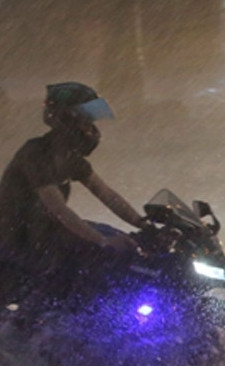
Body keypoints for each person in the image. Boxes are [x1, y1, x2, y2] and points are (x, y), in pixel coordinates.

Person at [0, 82, 147, 299]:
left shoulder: (70, 157)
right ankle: (59, 315)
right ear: (69, 118)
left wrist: (143, 224)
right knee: (96, 254)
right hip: (18, 237)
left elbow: (107, 194)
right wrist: (101, 242)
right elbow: (57, 209)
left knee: (120, 239)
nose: (92, 128)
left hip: (42, 230)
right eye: (87, 120)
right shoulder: (37, 153)